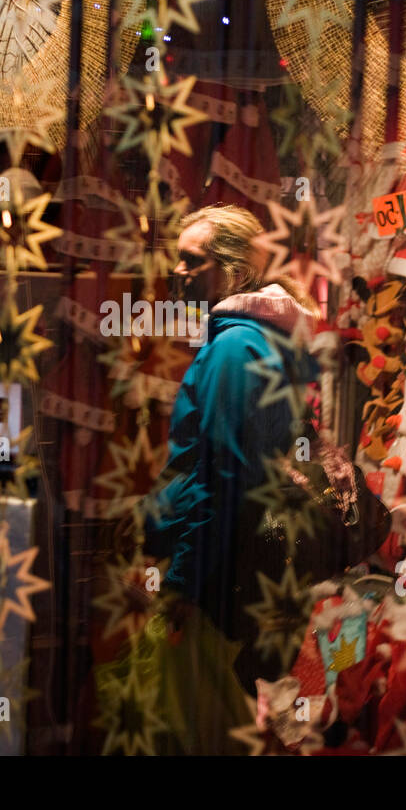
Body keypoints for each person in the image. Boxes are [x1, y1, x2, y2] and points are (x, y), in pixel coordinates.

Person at [130, 204, 323, 751]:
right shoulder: (247, 341)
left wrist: (184, 587)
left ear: (234, 271)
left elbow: (222, 482)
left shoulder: (235, 349)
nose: (179, 272)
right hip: (225, 578)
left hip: (213, 590)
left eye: (193, 261)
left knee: (196, 730)